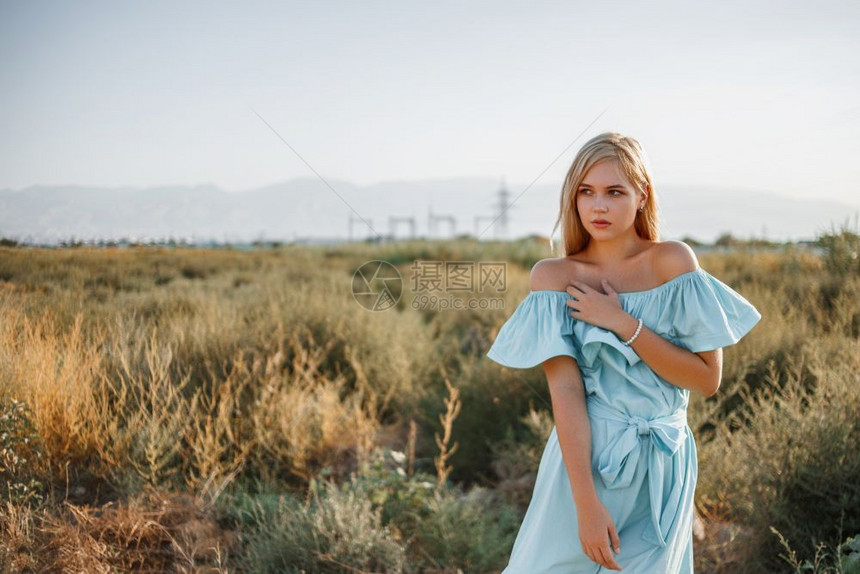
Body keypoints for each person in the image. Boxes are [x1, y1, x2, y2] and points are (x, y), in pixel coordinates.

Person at [486, 132, 761, 573]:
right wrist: (586, 503)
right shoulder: (554, 277)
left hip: (662, 463)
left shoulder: (673, 262)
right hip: (585, 464)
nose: (598, 206)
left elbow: (706, 380)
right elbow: (566, 393)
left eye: (614, 192)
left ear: (641, 196)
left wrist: (623, 324)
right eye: (586, 192)